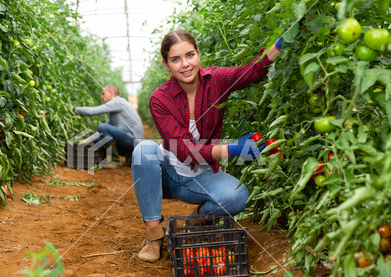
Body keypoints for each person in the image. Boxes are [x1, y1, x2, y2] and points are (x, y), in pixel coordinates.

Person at [132, 30, 285, 263]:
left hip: (200, 177)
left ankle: (197, 219)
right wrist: (232, 149)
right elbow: (184, 150)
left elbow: (251, 72)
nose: (185, 64)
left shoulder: (216, 81)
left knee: (238, 197)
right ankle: (154, 237)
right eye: (176, 59)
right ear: (166, 64)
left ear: (198, 54)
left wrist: (280, 43)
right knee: (143, 151)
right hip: (168, 175)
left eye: (189, 55)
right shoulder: (160, 99)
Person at [75, 85, 144, 168]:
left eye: (103, 94)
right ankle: (129, 156)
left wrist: (74, 110)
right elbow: (105, 130)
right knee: (98, 139)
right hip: (131, 142)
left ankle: (115, 161)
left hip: (133, 143)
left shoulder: (117, 102)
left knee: (102, 127)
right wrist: (87, 140)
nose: (101, 97)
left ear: (110, 93)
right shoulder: (117, 107)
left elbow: (93, 111)